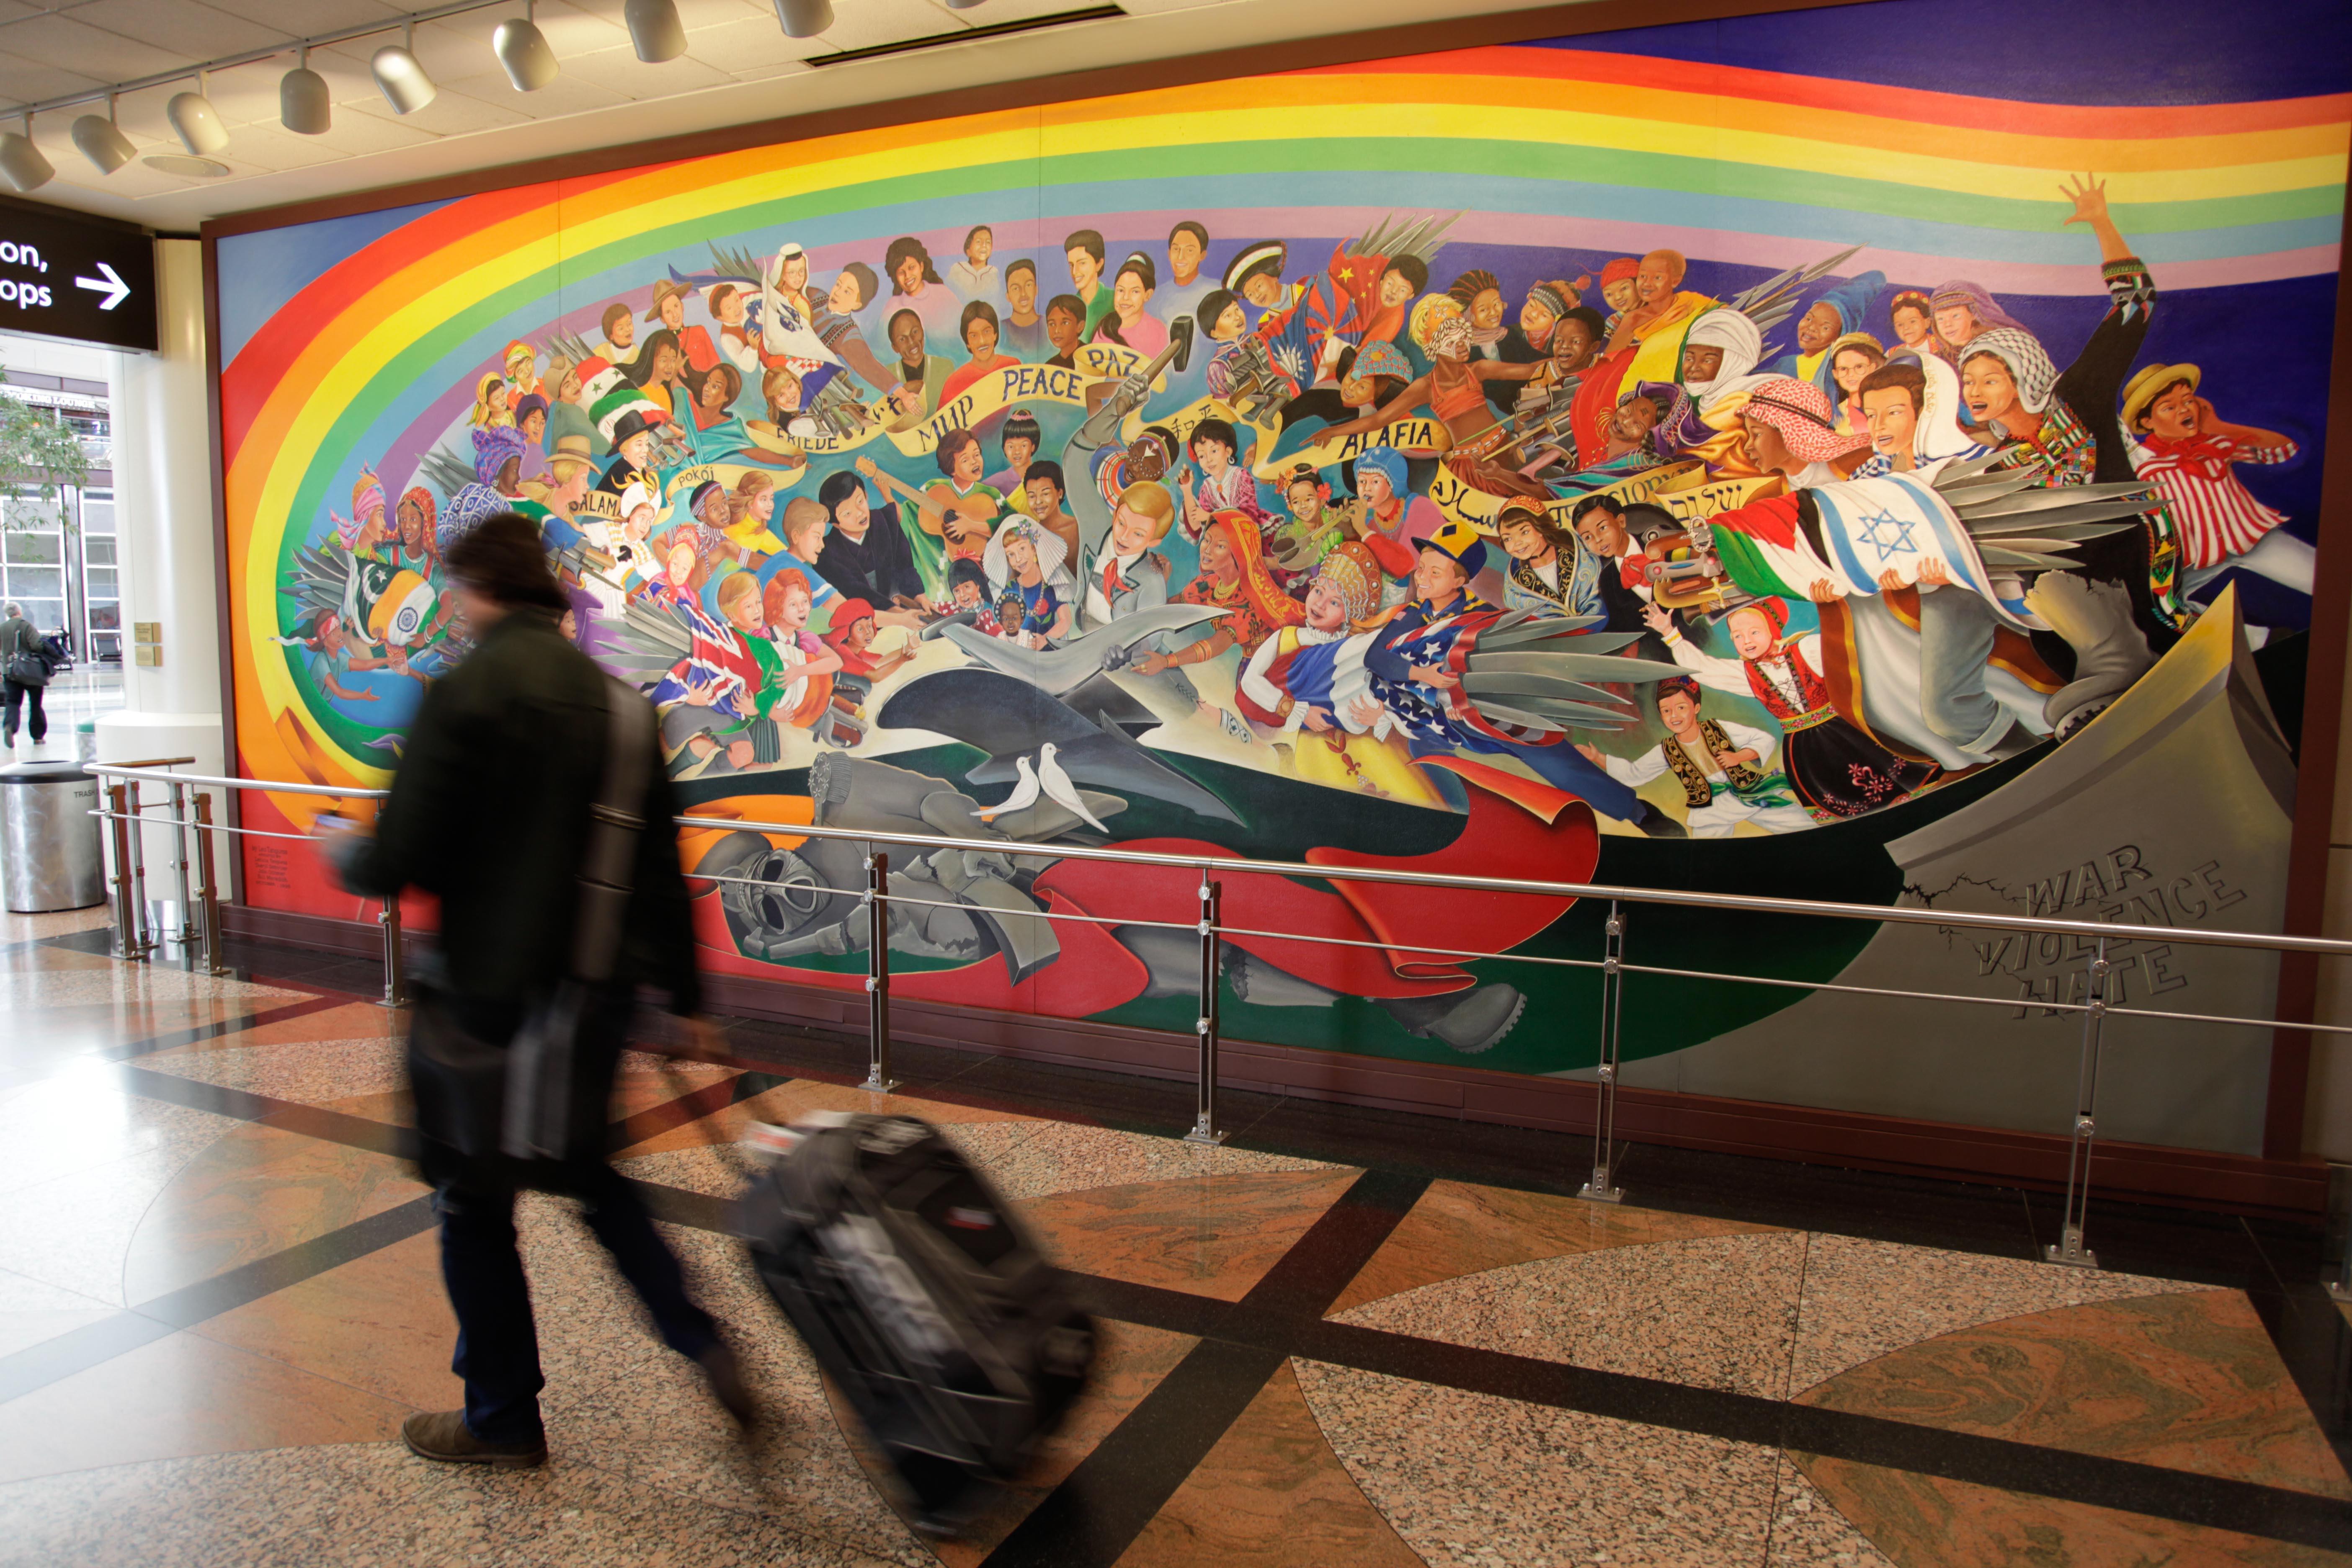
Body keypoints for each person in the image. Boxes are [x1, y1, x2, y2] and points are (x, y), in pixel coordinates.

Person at [320, 513, 748, 1468]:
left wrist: (340, 849)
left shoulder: (462, 695)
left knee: (473, 1204)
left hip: (477, 999)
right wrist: (688, 1002)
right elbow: (659, 873)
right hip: (586, 999)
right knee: (590, 1176)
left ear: (474, 591)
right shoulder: (627, 712)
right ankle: (703, 1342)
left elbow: (399, 858)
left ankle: (503, 1415)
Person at [1359, 522, 1684, 836]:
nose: (1423, 578)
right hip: (1432, 717)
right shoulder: (1411, 615)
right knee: (1427, 762)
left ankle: (1637, 812)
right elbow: (1375, 658)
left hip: (1488, 713)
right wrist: (1423, 677)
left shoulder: (1483, 618)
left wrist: (1459, 696)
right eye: (1422, 568)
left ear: (1459, 581)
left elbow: (1502, 670)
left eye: (1435, 572)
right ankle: (1462, 833)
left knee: (1555, 759)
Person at [1645, 596, 1937, 820]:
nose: (1746, 641)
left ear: (1772, 629)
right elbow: (1703, 669)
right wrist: (1670, 633)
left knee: (1886, 772)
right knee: (1836, 794)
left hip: (1843, 730)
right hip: (1804, 748)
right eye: (1737, 636)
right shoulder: (1745, 674)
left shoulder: (1808, 649)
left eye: (1754, 632)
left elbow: (1850, 647)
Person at [2122, 363, 2312, 601]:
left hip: (2252, 538)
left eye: (2188, 400)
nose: (2183, 410)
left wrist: (2218, 427)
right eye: (2168, 407)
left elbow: (2285, 451)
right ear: (2148, 422)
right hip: (2194, 562)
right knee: (2157, 615)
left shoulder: (2217, 445)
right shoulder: (2142, 467)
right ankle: (2252, 636)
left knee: (2325, 580)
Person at [1578, 676, 1814, 837]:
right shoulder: (1667, 749)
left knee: (1800, 824)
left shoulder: (1717, 727)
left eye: (1681, 708)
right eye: (1667, 711)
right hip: (1709, 808)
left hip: (1747, 793)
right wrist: (1598, 757)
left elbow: (1765, 740)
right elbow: (1635, 774)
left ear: (1696, 708)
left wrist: (1739, 756)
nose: (1675, 716)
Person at [1144, 509, 1306, 677]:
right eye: (1207, 540)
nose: (1207, 550)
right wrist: (1162, 581)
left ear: (1238, 554)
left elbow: (1216, 645)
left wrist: (1166, 661)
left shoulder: (1251, 597)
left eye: (1220, 546)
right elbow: (1165, 611)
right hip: (1253, 663)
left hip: (1282, 666)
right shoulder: (1208, 584)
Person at [941, 300, 1021, 401]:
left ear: (995, 334)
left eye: (987, 332)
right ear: (968, 343)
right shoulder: (954, 383)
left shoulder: (1013, 367)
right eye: (974, 336)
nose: (982, 341)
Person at [1091, 253, 1167, 355]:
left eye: (1135, 292)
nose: (1126, 298)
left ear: (1148, 295)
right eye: (1121, 290)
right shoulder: (1104, 330)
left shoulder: (1158, 331)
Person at [1, 601, 48, 749]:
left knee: (13, 702)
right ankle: (38, 737)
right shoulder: (26, 626)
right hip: (30, 672)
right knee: (35, 704)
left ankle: (10, 726)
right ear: (19, 612)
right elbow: (36, 646)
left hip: (10, 671)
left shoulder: (2, 628)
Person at [1064, 228, 1115, 336]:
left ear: (1099, 264)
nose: (1074, 272)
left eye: (1082, 263)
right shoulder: (1068, 308)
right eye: (1071, 265)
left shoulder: (1116, 300)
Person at [1001, 259, 1048, 358]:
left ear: (1036, 290)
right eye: (1016, 289)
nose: (1023, 294)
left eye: (1028, 285)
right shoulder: (999, 330)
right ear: (1008, 296)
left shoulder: (1050, 326)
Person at [948, 224, 998, 297]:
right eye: (979, 242)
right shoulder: (958, 269)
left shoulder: (994, 272)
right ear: (968, 250)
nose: (984, 245)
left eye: (988, 242)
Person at [1042, 294, 1087, 369]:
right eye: (1052, 324)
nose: (1057, 331)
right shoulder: (1050, 366)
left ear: (1080, 326)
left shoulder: (1091, 357)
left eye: (1065, 323)